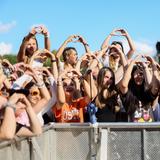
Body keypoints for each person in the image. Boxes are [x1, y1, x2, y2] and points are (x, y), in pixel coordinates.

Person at [119, 55, 159, 122]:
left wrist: (152, 63)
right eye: (136, 74)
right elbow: (123, 85)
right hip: (134, 131)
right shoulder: (128, 94)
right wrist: (133, 62)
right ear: (131, 76)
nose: (139, 76)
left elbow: (155, 87)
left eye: (141, 74)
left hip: (150, 131)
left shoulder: (147, 93)